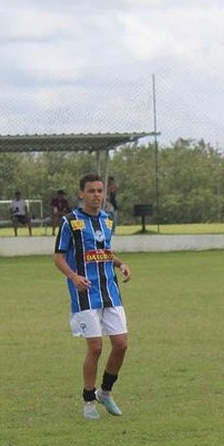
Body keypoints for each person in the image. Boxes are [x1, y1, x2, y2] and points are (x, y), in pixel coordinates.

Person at [54, 172, 132, 421]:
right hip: (85, 294)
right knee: (96, 348)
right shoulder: (70, 221)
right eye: (92, 191)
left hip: (110, 290)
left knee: (121, 344)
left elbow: (104, 252)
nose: (97, 195)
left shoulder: (108, 220)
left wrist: (120, 264)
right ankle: (88, 401)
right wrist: (74, 277)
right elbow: (58, 257)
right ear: (81, 193)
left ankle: (105, 392)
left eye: (100, 191)